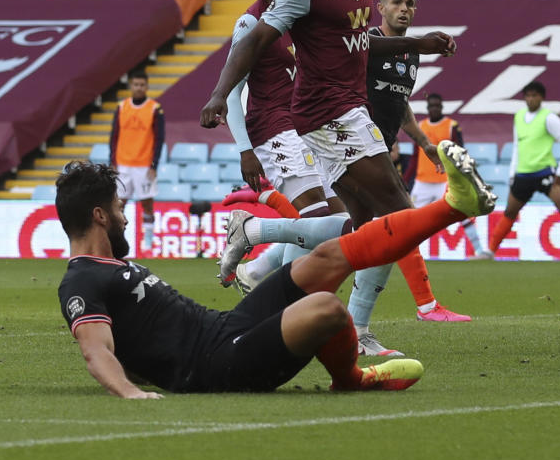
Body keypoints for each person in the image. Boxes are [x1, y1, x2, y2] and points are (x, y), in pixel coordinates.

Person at [199, 0, 457, 350]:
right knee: (399, 211)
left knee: (358, 226)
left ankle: (255, 231)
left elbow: (357, 43)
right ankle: (356, 328)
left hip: (347, 108)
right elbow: (256, 39)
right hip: (327, 113)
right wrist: (220, 94)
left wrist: (416, 43)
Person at [55, 141, 493, 397]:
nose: (125, 218)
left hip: (223, 328)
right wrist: (131, 394)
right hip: (216, 364)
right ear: (99, 216)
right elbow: (97, 351)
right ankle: (352, 379)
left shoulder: (110, 265)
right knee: (326, 308)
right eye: (118, 209)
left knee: (323, 258)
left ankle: (454, 206)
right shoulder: (82, 279)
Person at [218, 0, 348, 294]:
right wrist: (245, 149)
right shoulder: (250, 22)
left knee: (343, 222)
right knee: (318, 219)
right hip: (273, 129)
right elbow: (232, 89)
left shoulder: (303, 16)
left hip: (309, 127)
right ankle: (286, 304)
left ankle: (257, 270)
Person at [349, 0, 470, 343]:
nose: (405, 9)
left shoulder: (409, 53)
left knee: (344, 228)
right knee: (399, 220)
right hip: (354, 148)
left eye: (411, 4)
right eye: (398, 2)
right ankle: (424, 306)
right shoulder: (366, 43)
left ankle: (263, 258)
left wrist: (423, 144)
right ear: (380, 8)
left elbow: (399, 104)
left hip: (377, 148)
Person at [486, 81, 560, 258]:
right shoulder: (518, 117)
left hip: (545, 173)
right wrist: (511, 174)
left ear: (541, 97)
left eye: (534, 95)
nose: (531, 99)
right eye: (528, 96)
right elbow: (517, 146)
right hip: (523, 174)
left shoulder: (549, 118)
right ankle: (490, 251)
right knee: (509, 212)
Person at [410, 93, 491, 258]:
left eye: (437, 106)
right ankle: (408, 253)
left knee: (462, 213)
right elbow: (414, 156)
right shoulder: (419, 126)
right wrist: (405, 180)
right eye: (431, 105)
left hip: (444, 180)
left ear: (441, 107)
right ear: (427, 107)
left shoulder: (451, 125)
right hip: (422, 181)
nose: (434, 108)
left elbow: (459, 152)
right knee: (411, 218)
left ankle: (480, 251)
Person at [109, 69, 163, 254]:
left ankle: (148, 241)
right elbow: (114, 136)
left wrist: (154, 163)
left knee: (147, 203)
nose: (139, 88)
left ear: (146, 86)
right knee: (118, 204)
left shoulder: (154, 109)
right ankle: (119, 240)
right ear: (131, 86)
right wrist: (112, 161)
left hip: (144, 164)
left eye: (142, 85)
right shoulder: (122, 107)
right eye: (136, 85)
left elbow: (159, 138)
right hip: (123, 163)